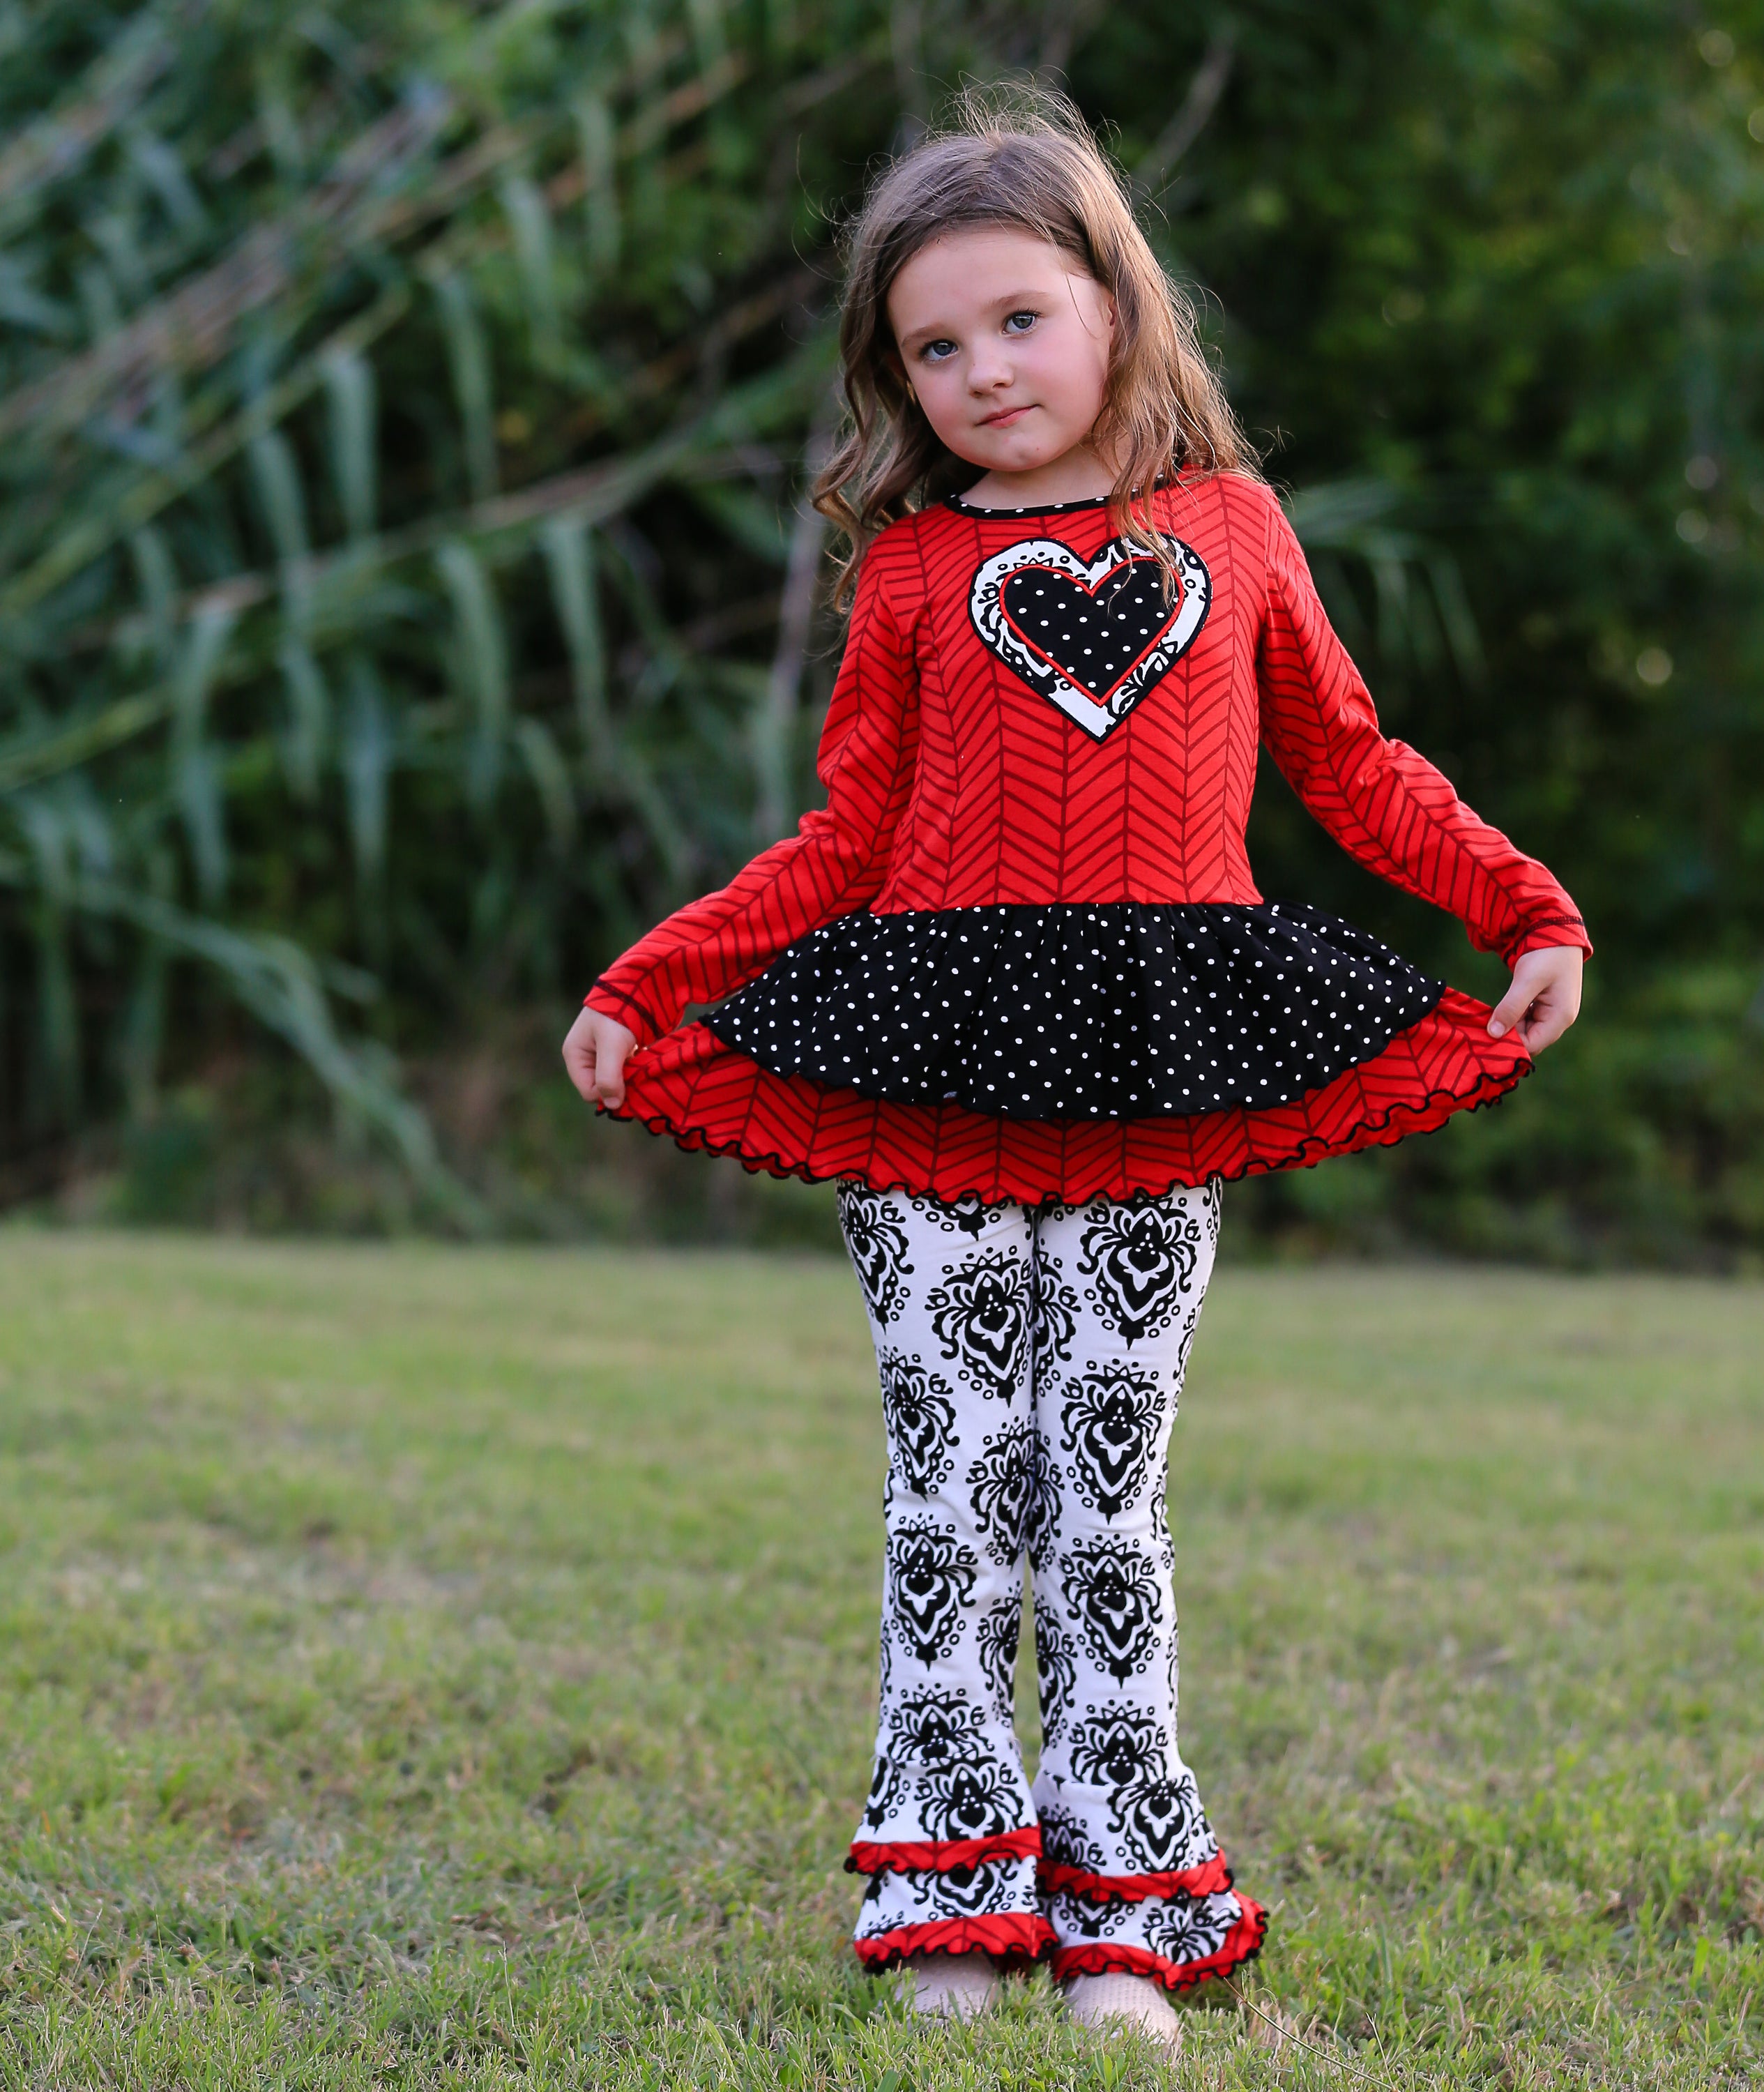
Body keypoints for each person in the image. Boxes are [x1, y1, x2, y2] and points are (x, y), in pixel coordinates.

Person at [561, 89, 1587, 2050]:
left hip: (1154, 1079)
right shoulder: (910, 580)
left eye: (1017, 319)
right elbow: (843, 842)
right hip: (925, 1082)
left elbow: (1352, 766)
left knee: (1099, 1504)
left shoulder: (1237, 534)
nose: (978, 372)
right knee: (953, 1490)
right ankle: (952, 1892)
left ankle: (1126, 1910)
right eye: (931, 350)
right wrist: (654, 977)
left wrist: (1522, 904)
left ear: (1117, 299)